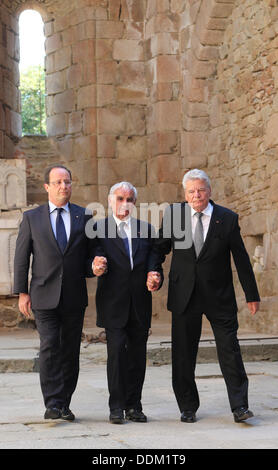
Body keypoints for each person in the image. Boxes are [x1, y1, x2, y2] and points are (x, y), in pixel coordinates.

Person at [148, 169, 260, 423]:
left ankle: (240, 406)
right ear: (185, 194)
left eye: (200, 190)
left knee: (230, 350)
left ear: (209, 191)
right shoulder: (175, 215)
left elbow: (241, 258)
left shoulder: (227, 218)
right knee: (183, 353)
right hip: (184, 294)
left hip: (219, 295)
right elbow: (159, 249)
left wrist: (251, 294)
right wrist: (154, 272)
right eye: (191, 191)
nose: (196, 195)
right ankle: (187, 407)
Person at [13, 164, 94, 421]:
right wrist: (22, 293)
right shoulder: (32, 218)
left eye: (67, 182)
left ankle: (64, 403)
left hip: (73, 296)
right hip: (43, 295)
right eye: (58, 182)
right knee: (49, 346)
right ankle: (52, 403)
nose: (63, 187)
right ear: (47, 186)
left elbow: (91, 256)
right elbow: (21, 258)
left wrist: (96, 266)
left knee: (70, 350)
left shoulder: (85, 216)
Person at [91, 182, 162, 424]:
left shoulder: (146, 229)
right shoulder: (99, 229)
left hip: (139, 303)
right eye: (120, 198)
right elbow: (94, 256)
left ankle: (134, 406)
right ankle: (116, 407)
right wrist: (96, 265)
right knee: (116, 355)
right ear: (110, 201)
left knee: (137, 357)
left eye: (129, 199)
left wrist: (155, 275)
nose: (124, 204)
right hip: (113, 303)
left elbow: (154, 261)